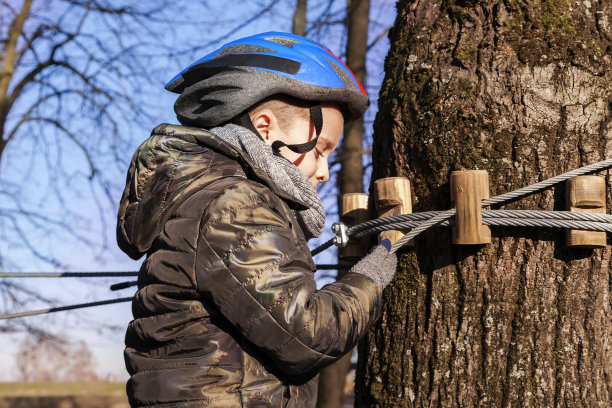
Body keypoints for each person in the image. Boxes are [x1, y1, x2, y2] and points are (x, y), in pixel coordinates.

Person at [116, 32, 397, 408]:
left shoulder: (208, 196)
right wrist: (373, 276)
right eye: (321, 149)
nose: (325, 171)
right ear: (265, 128)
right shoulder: (235, 204)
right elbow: (305, 335)